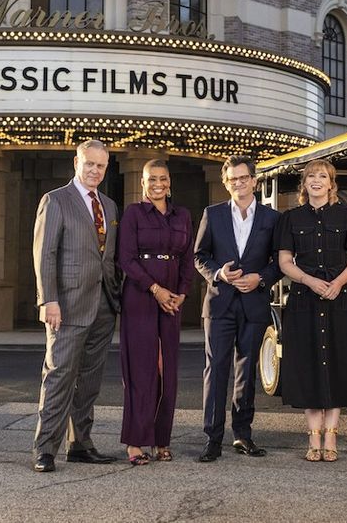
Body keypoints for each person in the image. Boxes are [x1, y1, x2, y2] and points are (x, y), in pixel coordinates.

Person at [31, 139, 121, 473]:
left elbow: (107, 258)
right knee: (58, 377)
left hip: (103, 307)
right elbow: (45, 254)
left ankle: (80, 444)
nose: (95, 170)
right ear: (76, 163)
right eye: (90, 164)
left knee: (90, 382)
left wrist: (116, 298)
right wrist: (48, 299)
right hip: (66, 306)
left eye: (101, 165)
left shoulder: (109, 206)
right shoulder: (56, 200)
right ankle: (45, 449)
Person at [275, 159, 347, 462]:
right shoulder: (291, 218)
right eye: (311, 176)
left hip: (340, 299)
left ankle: (332, 436)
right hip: (304, 299)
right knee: (310, 364)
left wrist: (338, 283)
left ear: (331, 183)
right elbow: (285, 262)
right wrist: (310, 281)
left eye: (323, 176)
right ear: (304, 184)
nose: (316, 181)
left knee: (337, 364)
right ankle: (313, 438)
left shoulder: (346, 214)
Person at [193, 155, 281, 463]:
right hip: (219, 304)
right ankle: (212, 439)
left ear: (254, 181)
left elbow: (278, 264)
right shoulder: (212, 214)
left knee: (247, 372)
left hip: (253, 304)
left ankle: (243, 434)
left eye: (243, 178)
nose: (238, 183)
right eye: (232, 179)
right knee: (215, 370)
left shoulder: (272, 218)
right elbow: (199, 256)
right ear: (225, 182)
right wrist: (218, 273)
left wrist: (260, 279)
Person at [117, 158, 194, 465]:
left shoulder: (183, 215)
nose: (158, 184)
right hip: (140, 298)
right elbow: (126, 259)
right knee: (141, 370)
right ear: (143, 184)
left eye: (162, 178)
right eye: (151, 179)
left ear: (169, 182)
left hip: (173, 299)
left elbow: (187, 258)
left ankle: (162, 439)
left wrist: (182, 293)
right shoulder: (133, 214)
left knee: (167, 370)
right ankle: (136, 443)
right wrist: (155, 289)